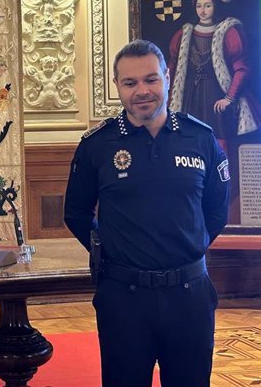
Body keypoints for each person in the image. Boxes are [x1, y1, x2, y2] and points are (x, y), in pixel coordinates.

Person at [64, 40, 229, 387]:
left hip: (190, 296)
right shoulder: (97, 146)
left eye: (151, 80)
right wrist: (108, 248)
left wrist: (189, 245)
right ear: (117, 87)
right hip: (124, 298)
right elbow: (76, 213)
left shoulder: (200, 138)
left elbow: (216, 210)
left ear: (167, 78)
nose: (142, 91)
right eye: (130, 82)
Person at [168, 0, 261, 151]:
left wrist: (229, 98)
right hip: (190, 93)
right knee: (189, 137)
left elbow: (242, 68)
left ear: (215, 7)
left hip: (216, 93)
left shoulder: (228, 32)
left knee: (219, 140)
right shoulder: (183, 34)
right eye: (199, 6)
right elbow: (172, 67)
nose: (202, 11)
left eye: (207, 5)